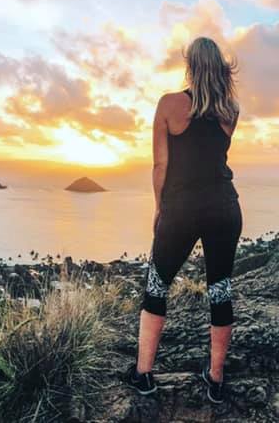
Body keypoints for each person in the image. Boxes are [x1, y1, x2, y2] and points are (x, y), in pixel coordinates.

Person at [125, 37, 242, 404]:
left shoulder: (169, 105)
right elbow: (212, 157)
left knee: (157, 288)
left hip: (181, 209)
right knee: (220, 288)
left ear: (190, 66)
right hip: (225, 207)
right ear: (221, 67)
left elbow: (161, 165)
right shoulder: (231, 111)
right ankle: (216, 378)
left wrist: (160, 208)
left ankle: (143, 374)